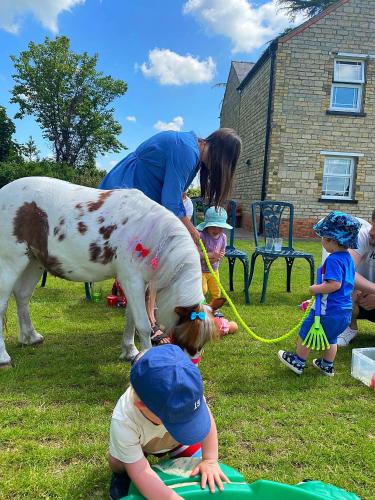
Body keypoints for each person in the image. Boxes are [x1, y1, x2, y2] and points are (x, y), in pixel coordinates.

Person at [108, 345, 228, 500]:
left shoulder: (188, 391)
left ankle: (179, 453)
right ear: (142, 406)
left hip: (176, 441)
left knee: (194, 464)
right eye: (175, 418)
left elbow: (208, 421)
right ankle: (122, 477)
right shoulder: (124, 420)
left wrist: (210, 460)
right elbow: (140, 471)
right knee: (117, 462)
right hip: (140, 444)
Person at [99, 128, 241, 244]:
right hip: (125, 189)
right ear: (218, 153)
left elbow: (174, 195)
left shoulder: (194, 156)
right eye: (223, 164)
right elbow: (171, 202)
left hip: (136, 199)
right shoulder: (187, 151)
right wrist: (191, 230)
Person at [278, 211, 360, 377]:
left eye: (323, 237)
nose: (322, 241)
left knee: (306, 332)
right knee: (331, 337)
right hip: (344, 312)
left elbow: (334, 285)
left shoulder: (333, 260)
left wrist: (315, 289)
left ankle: (298, 361)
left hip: (327, 311)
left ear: (332, 240)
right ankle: (327, 365)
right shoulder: (348, 259)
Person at [334, 211, 375, 346]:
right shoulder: (363, 234)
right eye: (373, 225)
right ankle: (349, 327)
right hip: (358, 298)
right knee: (339, 285)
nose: (371, 232)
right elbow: (345, 270)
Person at [196, 207, 232, 304]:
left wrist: (220, 255)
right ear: (207, 226)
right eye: (213, 227)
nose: (216, 230)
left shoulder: (223, 237)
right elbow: (195, 254)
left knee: (216, 291)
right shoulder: (201, 236)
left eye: (220, 227)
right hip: (201, 270)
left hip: (214, 270)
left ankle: (215, 308)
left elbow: (222, 251)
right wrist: (209, 255)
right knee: (202, 290)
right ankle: (200, 306)